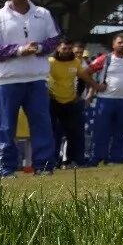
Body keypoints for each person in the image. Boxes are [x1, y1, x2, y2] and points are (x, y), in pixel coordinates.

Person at [0, 0, 61, 176]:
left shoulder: (43, 14)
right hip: (8, 80)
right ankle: (3, 169)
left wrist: (40, 47)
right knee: (5, 127)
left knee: (42, 124)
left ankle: (43, 167)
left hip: (36, 79)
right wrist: (18, 51)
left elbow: (55, 39)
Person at [87, 33, 123, 165]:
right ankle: (98, 158)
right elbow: (86, 73)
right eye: (119, 42)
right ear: (113, 44)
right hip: (105, 100)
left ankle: (118, 158)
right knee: (101, 131)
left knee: (122, 131)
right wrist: (96, 85)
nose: (122, 45)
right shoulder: (105, 59)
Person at [47, 36, 96, 167]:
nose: (67, 51)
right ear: (58, 48)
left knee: (73, 134)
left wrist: (96, 86)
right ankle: (51, 162)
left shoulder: (75, 62)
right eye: (64, 48)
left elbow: (85, 77)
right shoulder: (50, 61)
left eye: (69, 48)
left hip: (70, 102)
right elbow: (42, 78)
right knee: (53, 135)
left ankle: (70, 161)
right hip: (53, 102)